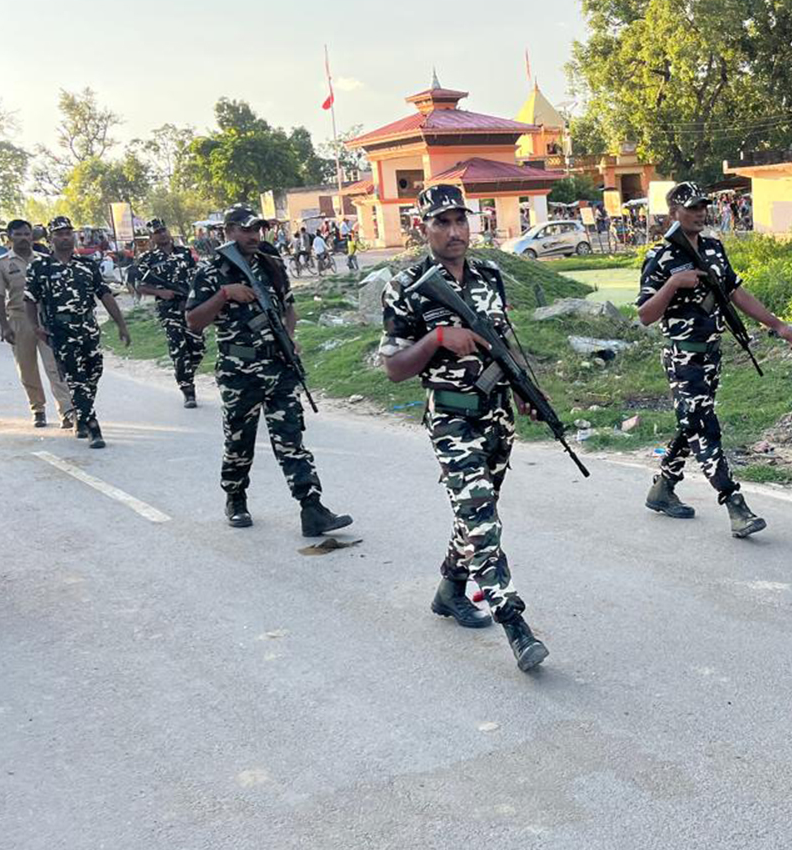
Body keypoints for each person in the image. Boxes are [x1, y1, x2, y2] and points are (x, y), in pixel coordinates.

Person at [379, 184, 549, 672]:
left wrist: (524, 388)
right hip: (452, 418)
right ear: (423, 228)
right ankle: (515, 623)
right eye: (442, 223)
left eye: (460, 220)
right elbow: (394, 369)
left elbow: (501, 342)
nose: (455, 232)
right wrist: (436, 337)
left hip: (497, 414)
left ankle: (450, 589)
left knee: (477, 512)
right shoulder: (406, 288)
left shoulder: (489, 275)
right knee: (482, 520)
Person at [637, 181, 792, 535]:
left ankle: (663, 488)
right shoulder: (661, 256)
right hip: (683, 357)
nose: (700, 213)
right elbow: (645, 315)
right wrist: (672, 285)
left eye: (703, 206)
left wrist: (777, 324)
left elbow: (736, 292)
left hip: (711, 354)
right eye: (692, 207)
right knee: (704, 427)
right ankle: (734, 504)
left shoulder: (713, 248)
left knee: (691, 423)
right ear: (674, 213)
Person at [185, 205, 352, 537]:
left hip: (278, 366)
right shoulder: (211, 272)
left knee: (291, 438)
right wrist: (224, 295)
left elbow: (289, 307)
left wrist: (289, 338)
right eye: (246, 230)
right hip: (239, 371)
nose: (253, 236)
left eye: (257, 230)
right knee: (239, 440)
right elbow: (193, 321)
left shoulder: (270, 265)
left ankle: (311, 507)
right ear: (229, 230)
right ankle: (235, 498)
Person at [23, 215, 131, 448]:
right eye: (60, 234)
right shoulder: (40, 267)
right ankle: (93, 427)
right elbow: (29, 299)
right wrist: (35, 327)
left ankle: (81, 414)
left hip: (88, 328)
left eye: (68, 233)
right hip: (60, 332)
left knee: (94, 373)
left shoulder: (87, 265)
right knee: (76, 379)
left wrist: (121, 324)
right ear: (51, 238)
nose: (65, 237)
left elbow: (104, 295)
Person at [0, 219, 75, 429]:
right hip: (19, 320)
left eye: (27, 234)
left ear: (32, 236)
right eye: (18, 234)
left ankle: (67, 410)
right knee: (27, 368)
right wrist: (4, 326)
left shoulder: (46, 260)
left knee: (55, 366)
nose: (23, 238)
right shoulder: (1, 263)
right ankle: (37, 408)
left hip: (46, 320)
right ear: (9, 237)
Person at [134, 218, 205, 408]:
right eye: (157, 232)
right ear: (152, 237)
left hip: (190, 306)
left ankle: (186, 373)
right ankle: (188, 390)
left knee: (198, 348)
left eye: (163, 230)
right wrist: (160, 292)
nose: (162, 234)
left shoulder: (184, 253)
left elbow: (196, 276)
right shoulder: (147, 260)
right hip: (169, 311)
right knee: (178, 350)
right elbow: (139, 287)